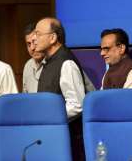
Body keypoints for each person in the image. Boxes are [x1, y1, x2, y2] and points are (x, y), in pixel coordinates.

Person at [33, 17, 94, 161]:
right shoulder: (49, 61)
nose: (34, 38)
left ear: (53, 38)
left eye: (38, 34)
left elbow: (77, 105)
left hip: (67, 141)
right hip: (53, 134)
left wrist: (48, 117)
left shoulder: (66, 62)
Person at [22, 23, 45, 93]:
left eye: (35, 42)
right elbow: (25, 95)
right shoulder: (28, 65)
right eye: (28, 44)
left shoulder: (56, 63)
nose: (32, 48)